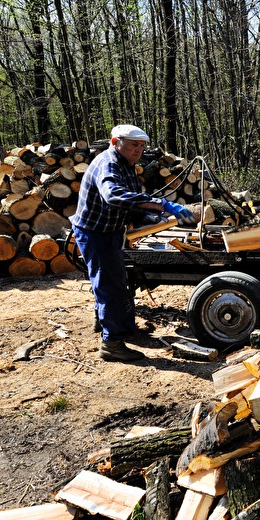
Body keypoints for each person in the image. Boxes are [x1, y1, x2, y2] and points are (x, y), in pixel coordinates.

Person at [70, 125, 196, 362]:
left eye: (141, 146)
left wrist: (148, 216)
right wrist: (163, 205)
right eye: (133, 145)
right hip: (95, 233)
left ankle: (114, 328)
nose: (138, 150)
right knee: (110, 286)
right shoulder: (108, 163)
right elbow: (113, 195)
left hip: (111, 230)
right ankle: (111, 345)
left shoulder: (125, 164)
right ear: (115, 141)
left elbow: (128, 203)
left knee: (114, 282)